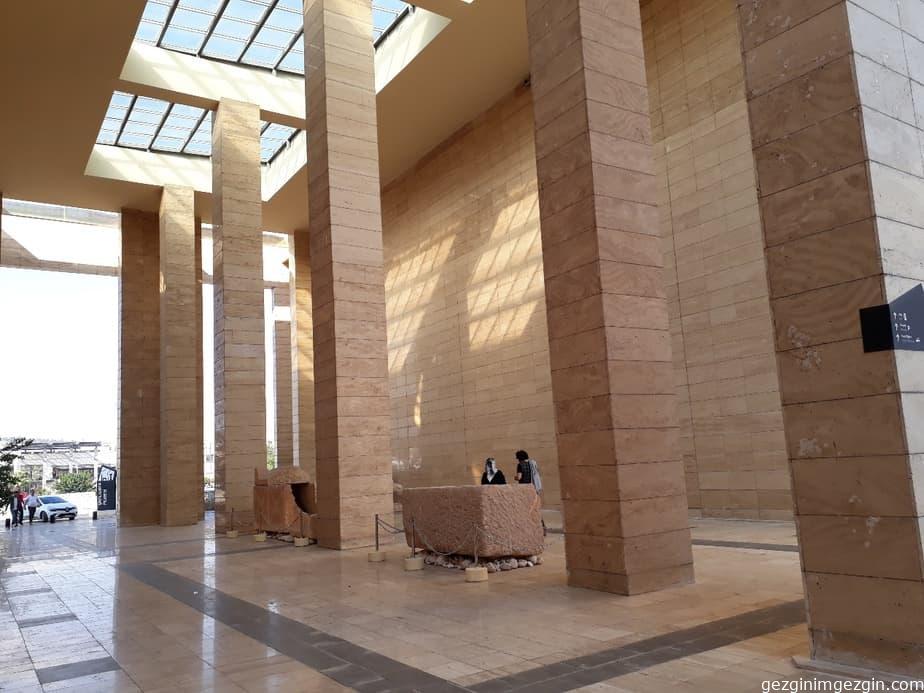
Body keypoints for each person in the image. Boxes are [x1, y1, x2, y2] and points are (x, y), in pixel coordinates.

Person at [515, 450, 545, 535]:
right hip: (534, 488)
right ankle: (542, 527)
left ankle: (527, 528)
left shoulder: (520, 465)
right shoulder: (533, 463)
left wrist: (515, 478)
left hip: (525, 489)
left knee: (525, 508)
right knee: (535, 508)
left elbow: (519, 477)